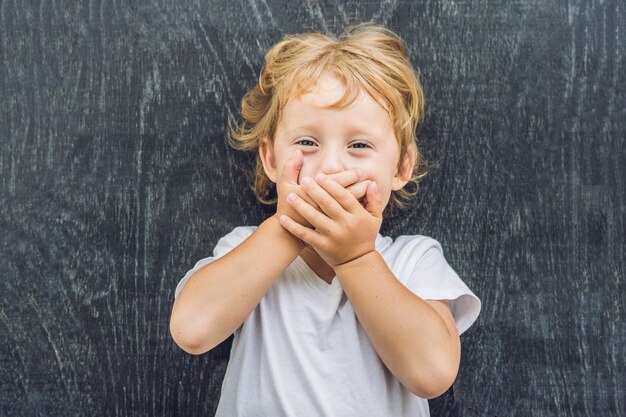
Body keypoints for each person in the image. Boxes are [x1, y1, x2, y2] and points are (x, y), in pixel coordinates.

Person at [169, 22, 481, 417]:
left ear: (401, 167)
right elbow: (190, 331)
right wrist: (286, 231)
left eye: (359, 145)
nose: (331, 166)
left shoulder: (414, 261)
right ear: (270, 159)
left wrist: (357, 258)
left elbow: (433, 374)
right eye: (307, 142)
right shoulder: (247, 249)